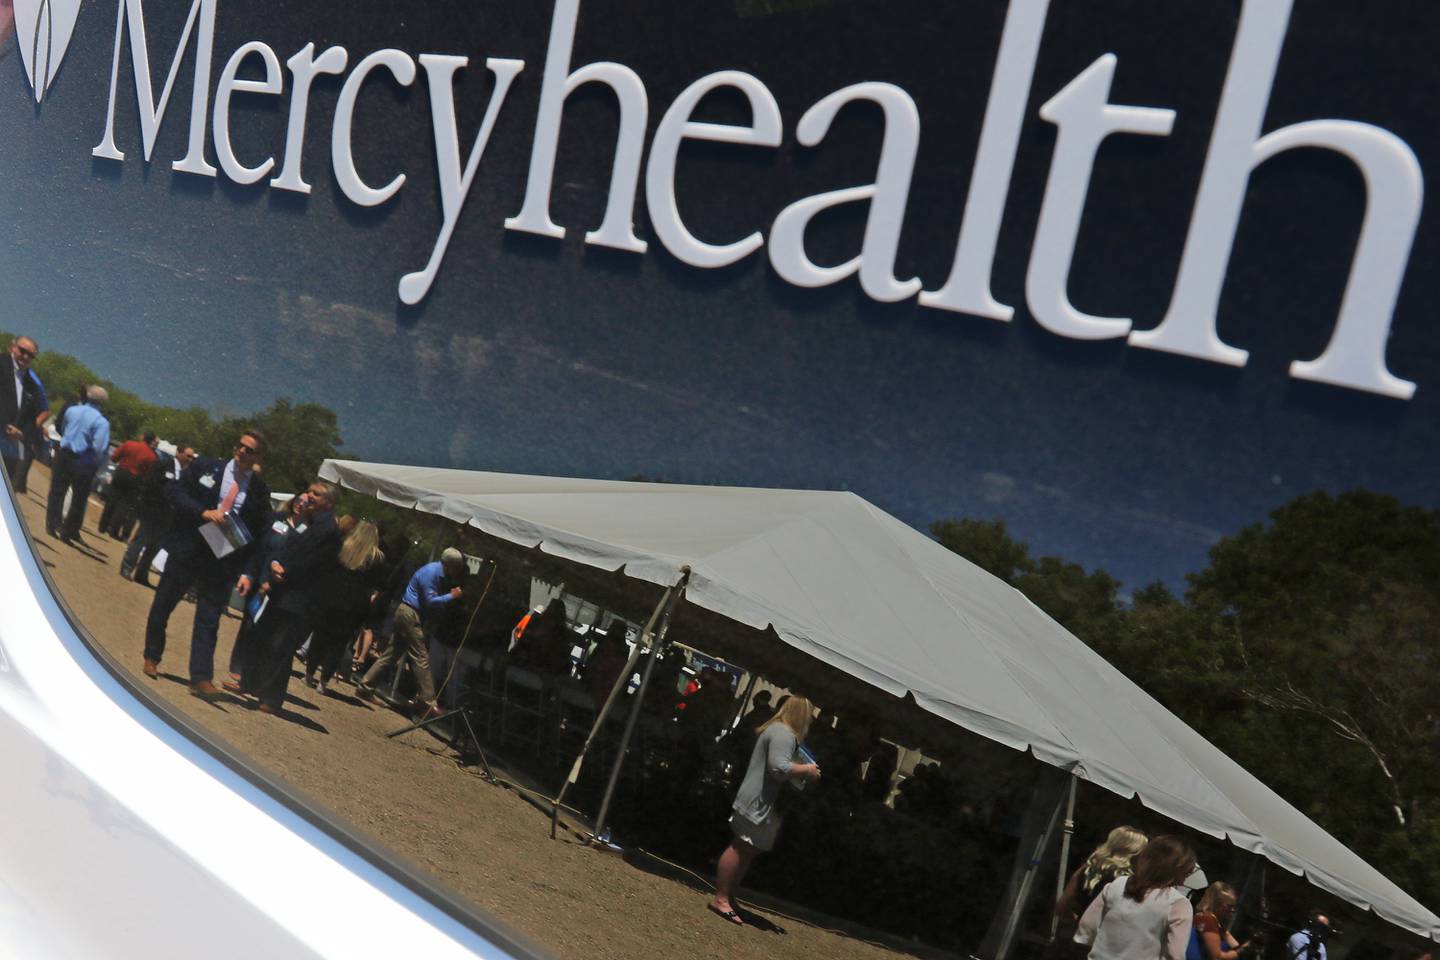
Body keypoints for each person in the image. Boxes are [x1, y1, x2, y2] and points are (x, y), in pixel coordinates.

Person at [141, 428, 269, 700]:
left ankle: (200, 678)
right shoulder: (207, 466)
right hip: (189, 547)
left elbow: (258, 536)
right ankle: (152, 656)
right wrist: (203, 512)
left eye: (249, 449)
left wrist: (248, 571)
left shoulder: (258, 491)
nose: (242, 451)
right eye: (240, 445)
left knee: (209, 619)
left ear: (259, 455)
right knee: (164, 603)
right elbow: (175, 492)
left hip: (222, 558)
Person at [707, 694, 821, 926]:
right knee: (740, 846)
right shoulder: (783, 734)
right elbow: (778, 768)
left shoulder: (779, 731)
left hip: (762, 801)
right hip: (759, 801)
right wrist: (808, 769)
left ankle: (728, 895)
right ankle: (721, 898)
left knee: (748, 849)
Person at [240, 482, 342, 715]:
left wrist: (285, 571)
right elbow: (289, 548)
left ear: (329, 502)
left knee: (282, 648)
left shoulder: (328, 530)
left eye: (316, 494)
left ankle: (272, 699)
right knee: (263, 638)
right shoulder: (308, 521)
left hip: (299, 598)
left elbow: (313, 563)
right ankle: (253, 685)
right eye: (309, 491)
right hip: (282, 590)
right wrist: (276, 564)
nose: (309, 496)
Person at [355, 546, 465, 716]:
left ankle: (365, 687)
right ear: (451, 564)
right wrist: (451, 596)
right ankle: (429, 702)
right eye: (457, 566)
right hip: (410, 614)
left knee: (391, 654)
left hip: (408, 613)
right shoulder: (432, 573)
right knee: (421, 656)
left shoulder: (436, 572)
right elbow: (429, 601)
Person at [224, 490, 307, 686]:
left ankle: (250, 673)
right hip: (260, 578)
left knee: (263, 630)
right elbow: (259, 548)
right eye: (299, 500)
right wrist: (250, 574)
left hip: (279, 586)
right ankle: (238, 665)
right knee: (249, 623)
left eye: (306, 502)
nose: (301, 504)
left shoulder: (306, 530)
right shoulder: (276, 520)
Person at [1075, 835, 1197, 960]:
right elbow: (1175, 954)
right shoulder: (1178, 904)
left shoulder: (1118, 884)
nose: (1183, 882)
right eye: (1185, 874)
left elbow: (1086, 927)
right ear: (1174, 870)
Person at [304, 518, 385, 695]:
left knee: (320, 636)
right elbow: (376, 588)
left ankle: (310, 674)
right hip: (355, 603)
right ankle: (323, 682)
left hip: (332, 595)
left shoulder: (344, 545)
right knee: (339, 643)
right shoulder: (376, 557)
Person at [120, 442, 195, 585]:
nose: (190, 459)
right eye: (188, 456)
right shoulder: (164, 464)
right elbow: (151, 483)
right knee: (141, 539)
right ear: (179, 452)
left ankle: (142, 574)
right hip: (153, 509)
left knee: (155, 545)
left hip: (168, 515)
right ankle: (127, 567)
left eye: (192, 457)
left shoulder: (187, 474)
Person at [45, 385, 110, 542]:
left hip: (64, 453)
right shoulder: (101, 422)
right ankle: (67, 532)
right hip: (83, 459)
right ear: (103, 402)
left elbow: (64, 428)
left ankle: (51, 525)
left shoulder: (72, 410)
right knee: (78, 499)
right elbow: (99, 447)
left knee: (57, 491)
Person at [1056, 826, 1151, 923]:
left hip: (1079, 931)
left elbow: (1062, 906)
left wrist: (1081, 921)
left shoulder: (1088, 869)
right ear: (1133, 851)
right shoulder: (1127, 880)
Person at [0, 334, 49, 494]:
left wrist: (22, 433)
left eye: (31, 355)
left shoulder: (33, 385)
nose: (25, 356)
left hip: (10, 448)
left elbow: (38, 414)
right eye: (22, 351)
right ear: (13, 347)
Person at [99, 430, 158, 538]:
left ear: (143, 437)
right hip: (135, 478)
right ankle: (113, 530)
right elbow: (148, 473)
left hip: (121, 473)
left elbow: (114, 457)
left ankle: (102, 526)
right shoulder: (152, 456)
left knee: (111, 500)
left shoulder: (129, 444)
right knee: (124, 505)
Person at [1191, 882, 1253, 960]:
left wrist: (1250, 945)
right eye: (1229, 906)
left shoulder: (1216, 923)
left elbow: (1235, 945)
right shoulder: (1207, 919)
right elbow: (1217, 957)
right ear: (1216, 903)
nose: (1233, 910)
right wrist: (1242, 950)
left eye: (1234, 906)